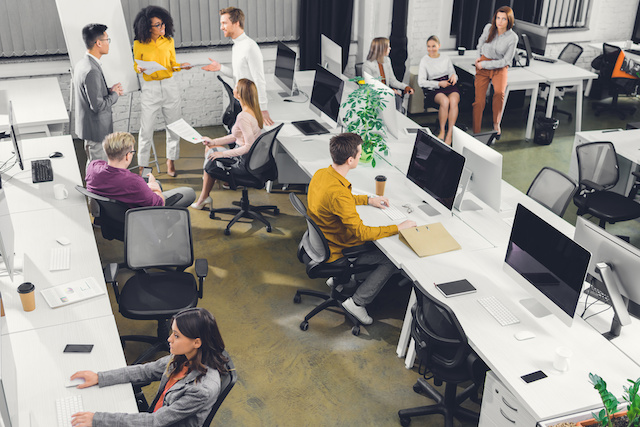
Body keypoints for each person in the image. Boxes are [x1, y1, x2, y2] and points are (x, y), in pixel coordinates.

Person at [307, 133, 416, 325]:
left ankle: (339, 279)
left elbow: (340, 201)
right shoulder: (339, 193)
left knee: (378, 244)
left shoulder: (322, 174)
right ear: (350, 160)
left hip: (322, 242)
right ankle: (357, 302)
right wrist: (398, 227)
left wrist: (367, 200)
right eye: (359, 154)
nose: (360, 156)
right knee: (390, 259)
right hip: (338, 249)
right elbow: (362, 233)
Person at [70, 308, 228, 427]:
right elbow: (145, 371)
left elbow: (155, 421)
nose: (169, 339)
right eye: (172, 332)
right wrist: (100, 377)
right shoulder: (182, 357)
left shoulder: (201, 390)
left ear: (197, 342)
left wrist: (97, 419)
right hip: (155, 415)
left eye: (177, 335)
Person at [133, 5, 192, 177]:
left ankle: (170, 161)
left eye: (163, 23)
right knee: (146, 130)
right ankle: (144, 167)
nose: (162, 27)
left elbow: (172, 63)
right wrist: (139, 69)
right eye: (158, 25)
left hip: (169, 85)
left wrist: (181, 66)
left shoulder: (169, 41)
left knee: (174, 126)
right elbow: (136, 64)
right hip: (150, 89)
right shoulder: (139, 44)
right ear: (147, 27)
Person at [191, 78, 263, 210]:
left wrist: (222, 153)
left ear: (239, 94)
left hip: (243, 161)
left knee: (212, 157)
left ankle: (204, 194)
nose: (233, 89)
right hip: (252, 159)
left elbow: (248, 146)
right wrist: (214, 141)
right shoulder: (254, 110)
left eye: (235, 87)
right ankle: (211, 183)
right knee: (210, 147)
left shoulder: (243, 117)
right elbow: (236, 136)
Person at [201, 7, 274, 126]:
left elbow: (259, 79)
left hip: (250, 105)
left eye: (224, 23)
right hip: (240, 102)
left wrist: (263, 108)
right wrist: (220, 67)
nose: (221, 27)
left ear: (236, 23)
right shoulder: (236, 46)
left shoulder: (250, 47)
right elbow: (238, 74)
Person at [85, 132, 195, 208]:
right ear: (128, 156)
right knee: (189, 193)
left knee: (155, 183)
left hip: (115, 215)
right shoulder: (134, 182)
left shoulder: (93, 167)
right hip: (135, 215)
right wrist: (156, 189)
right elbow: (159, 203)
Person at [74, 23, 123, 166]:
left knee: (93, 165)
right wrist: (114, 95)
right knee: (98, 169)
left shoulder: (83, 64)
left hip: (89, 127)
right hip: (96, 131)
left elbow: (90, 92)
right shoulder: (92, 70)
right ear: (98, 43)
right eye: (107, 40)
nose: (109, 43)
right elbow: (97, 106)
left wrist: (108, 90)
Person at [472, 5, 518, 138]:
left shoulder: (513, 38)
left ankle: (496, 123)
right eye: (498, 18)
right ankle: (476, 132)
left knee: (499, 93)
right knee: (479, 101)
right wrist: (478, 58)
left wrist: (485, 64)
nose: (500, 21)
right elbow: (480, 42)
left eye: (503, 19)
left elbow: (506, 61)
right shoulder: (488, 28)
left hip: (499, 67)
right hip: (483, 65)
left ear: (509, 21)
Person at [418, 35, 460, 146]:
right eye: (428, 46)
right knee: (445, 101)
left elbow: (452, 72)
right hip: (435, 87)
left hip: (448, 84)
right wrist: (438, 84)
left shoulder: (445, 58)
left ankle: (449, 133)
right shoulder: (424, 60)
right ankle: (442, 131)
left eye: (433, 46)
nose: (431, 49)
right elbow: (421, 82)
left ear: (439, 46)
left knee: (453, 101)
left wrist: (454, 76)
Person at [363, 37, 414, 112]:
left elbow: (392, 81)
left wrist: (405, 87)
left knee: (398, 104)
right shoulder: (367, 65)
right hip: (375, 97)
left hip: (387, 95)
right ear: (381, 49)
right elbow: (371, 87)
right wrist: (389, 91)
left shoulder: (387, 60)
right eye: (388, 47)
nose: (390, 48)